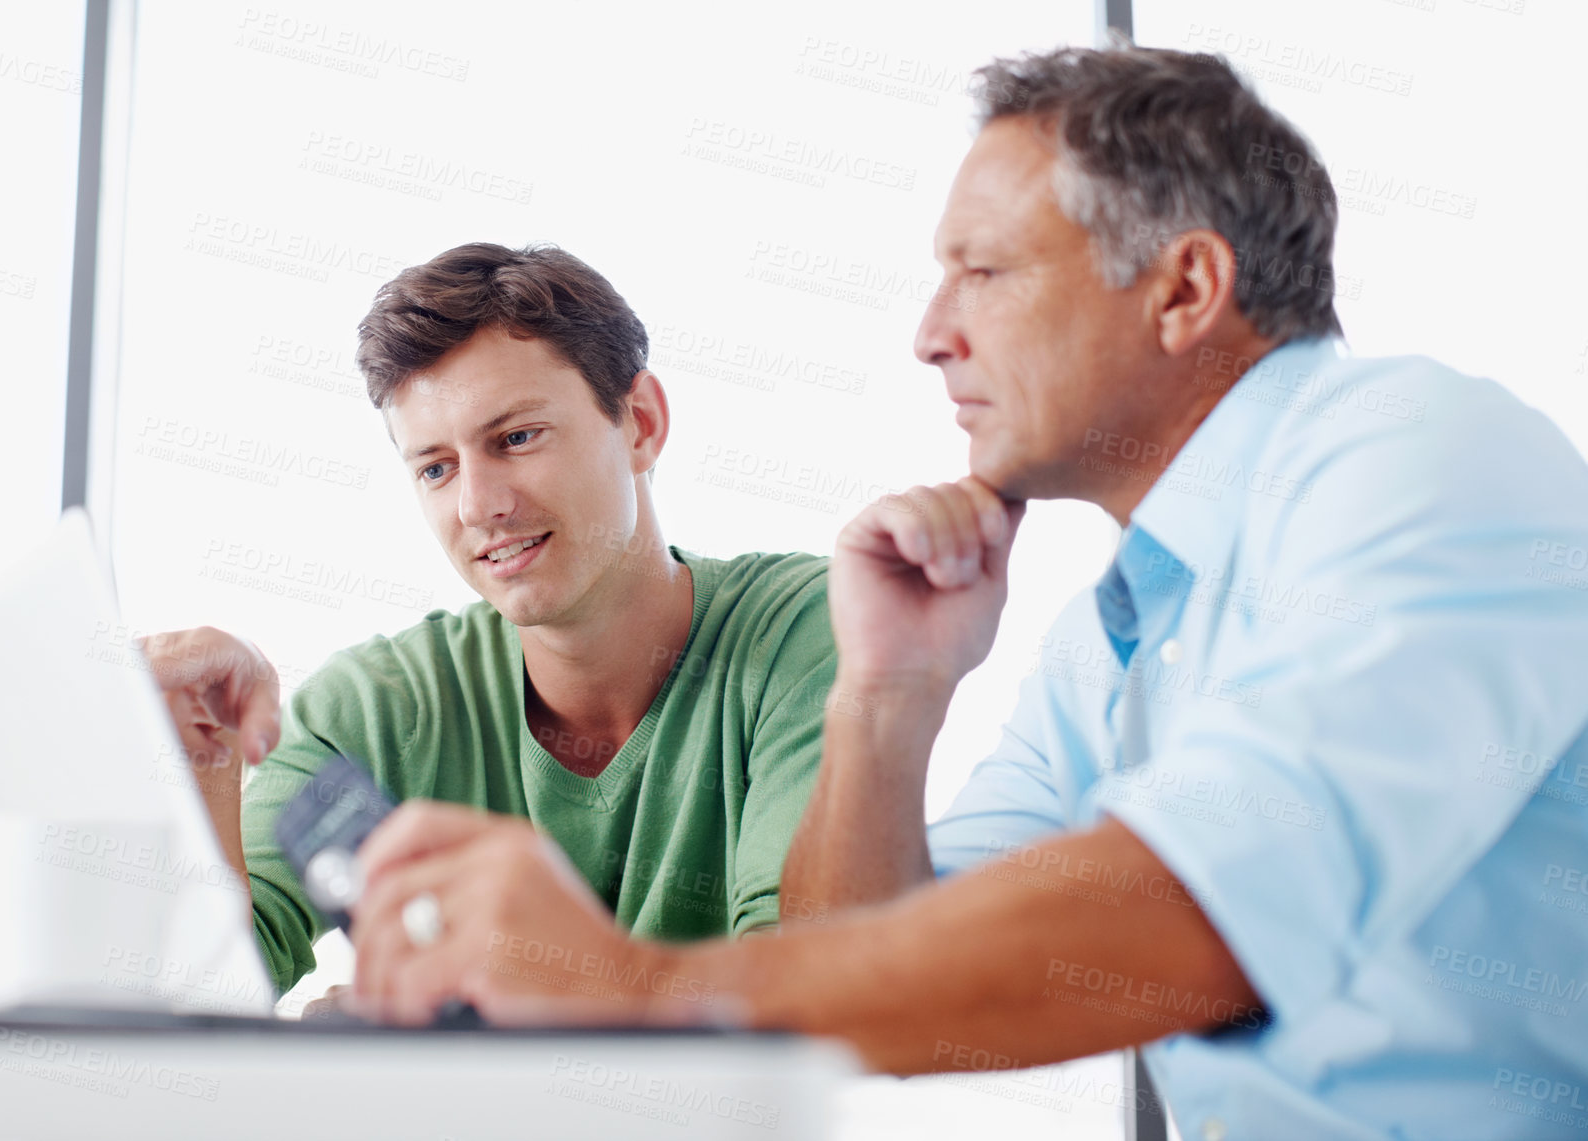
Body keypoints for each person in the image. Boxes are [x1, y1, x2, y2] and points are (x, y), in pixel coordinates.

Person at [334, 46, 1588, 1139]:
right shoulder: (1112, 643)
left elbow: (1195, 919)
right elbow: (865, 975)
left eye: (980, 272)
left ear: (1184, 291)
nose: (930, 331)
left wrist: (638, 993)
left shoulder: (1418, 454)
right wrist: (887, 699)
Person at [138, 243, 838, 999]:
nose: (478, 505)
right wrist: (198, 773)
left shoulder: (801, 632)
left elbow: (807, 986)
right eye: (435, 467)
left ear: (639, 422)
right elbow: (207, 992)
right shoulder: (369, 709)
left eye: (515, 438)